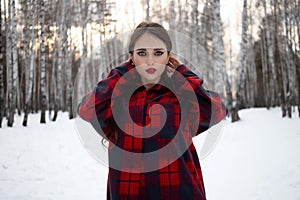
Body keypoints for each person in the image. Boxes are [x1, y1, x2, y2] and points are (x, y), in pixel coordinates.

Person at [78, 22, 227, 200]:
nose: (150, 61)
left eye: (158, 53)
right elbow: (87, 109)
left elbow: (215, 109)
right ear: (131, 57)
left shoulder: (181, 94)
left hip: (179, 191)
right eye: (142, 53)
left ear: (168, 57)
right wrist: (121, 73)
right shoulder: (118, 97)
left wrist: (182, 73)